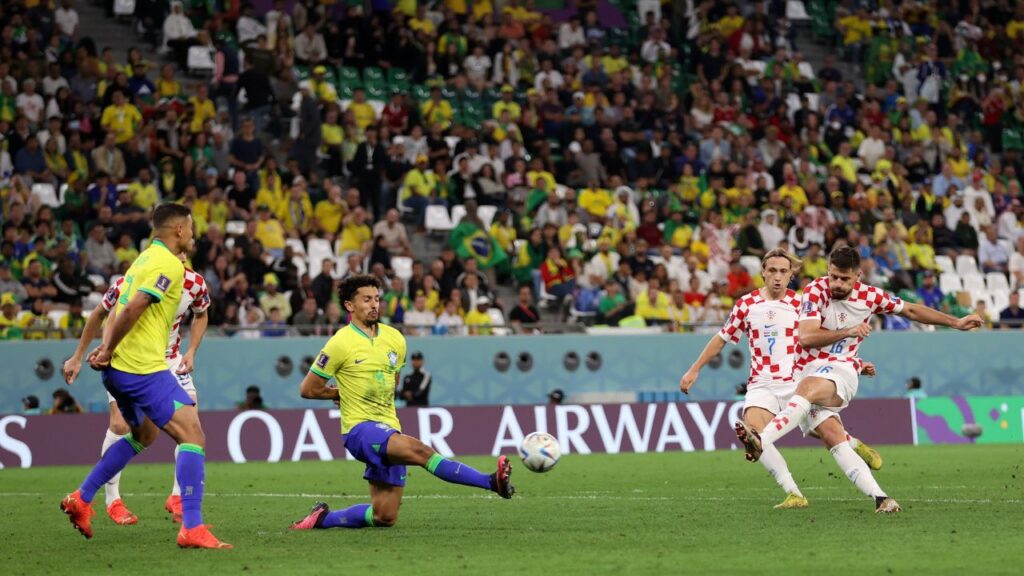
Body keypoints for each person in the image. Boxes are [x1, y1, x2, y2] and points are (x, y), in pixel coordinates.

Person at [738, 245, 982, 513]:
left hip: (841, 371)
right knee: (832, 436)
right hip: (807, 372)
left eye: (844, 278)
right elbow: (806, 337)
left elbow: (911, 310)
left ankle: (761, 440)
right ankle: (882, 498)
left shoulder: (870, 296)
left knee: (807, 390)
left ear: (858, 276)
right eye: (833, 277)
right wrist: (849, 330)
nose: (837, 284)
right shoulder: (815, 291)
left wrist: (956, 322)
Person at [58, 204, 229, 548]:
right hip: (140, 367)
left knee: (144, 435)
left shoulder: (141, 261)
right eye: (191, 229)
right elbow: (134, 307)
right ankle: (192, 527)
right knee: (193, 435)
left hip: (120, 368)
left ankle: (82, 496)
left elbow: (115, 307)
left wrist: (105, 349)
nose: (193, 235)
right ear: (179, 230)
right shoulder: (167, 264)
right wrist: (106, 349)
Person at [289, 275, 514, 532]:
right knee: (421, 452)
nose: (374, 305)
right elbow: (308, 389)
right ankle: (490, 481)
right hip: (360, 430)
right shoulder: (341, 342)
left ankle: (323, 518)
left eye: (376, 299)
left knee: (384, 516)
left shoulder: (395, 338)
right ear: (350, 306)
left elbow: (393, 381)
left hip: (388, 427)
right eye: (366, 299)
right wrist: (339, 394)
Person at [680, 248, 882, 509]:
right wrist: (694, 369)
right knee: (753, 434)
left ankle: (853, 443)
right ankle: (794, 493)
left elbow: (826, 344)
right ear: (763, 272)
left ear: (791, 275)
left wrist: (854, 364)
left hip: (798, 379)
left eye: (783, 272)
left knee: (828, 433)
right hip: (761, 383)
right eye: (772, 270)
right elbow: (721, 339)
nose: (777, 277)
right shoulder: (746, 304)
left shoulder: (802, 304)